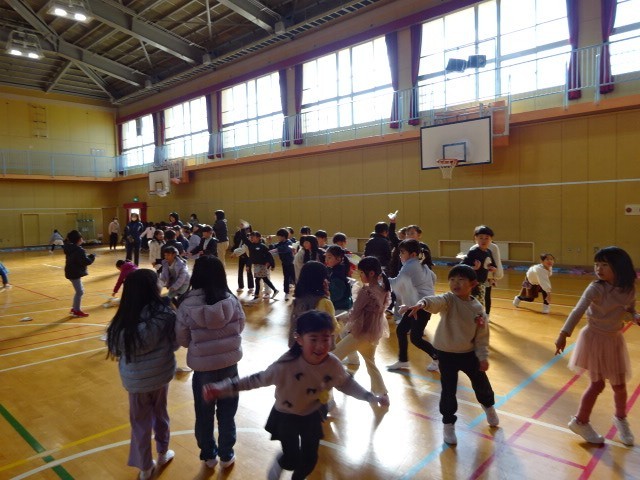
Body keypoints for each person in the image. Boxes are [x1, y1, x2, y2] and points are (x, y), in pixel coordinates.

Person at [201, 310, 389, 480]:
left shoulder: (332, 364)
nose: (321, 345)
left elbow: (346, 383)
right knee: (291, 459)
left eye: (326, 338)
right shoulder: (286, 366)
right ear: (299, 339)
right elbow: (255, 380)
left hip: (312, 415)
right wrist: (221, 388)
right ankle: (280, 463)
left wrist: (370, 397)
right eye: (313, 339)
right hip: (286, 416)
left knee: (309, 460)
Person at [554, 247, 639, 446]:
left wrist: (635, 316)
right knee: (597, 384)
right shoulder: (595, 288)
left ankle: (620, 419)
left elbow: (628, 310)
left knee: (619, 386)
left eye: (604, 265)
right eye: (597, 264)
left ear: (619, 267)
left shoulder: (629, 289)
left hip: (614, 340)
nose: (598, 269)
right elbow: (578, 310)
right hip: (594, 339)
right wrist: (563, 334)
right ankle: (580, 421)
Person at [407, 264, 499, 445]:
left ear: (473, 284)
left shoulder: (477, 309)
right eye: (452, 279)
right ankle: (448, 424)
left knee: (482, 384)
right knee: (448, 391)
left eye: (461, 280)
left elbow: (482, 337)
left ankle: (488, 407)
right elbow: (436, 301)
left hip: (469, 354)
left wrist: (483, 357)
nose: (455, 283)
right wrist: (423, 303)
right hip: (446, 355)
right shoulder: (449, 300)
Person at [106, 269, 177, 480]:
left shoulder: (122, 319)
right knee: (161, 414)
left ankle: (145, 467)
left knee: (139, 423)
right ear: (153, 288)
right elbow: (175, 343)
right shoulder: (165, 314)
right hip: (160, 375)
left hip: (135, 381)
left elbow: (115, 349)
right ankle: (163, 453)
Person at [176, 255, 245, 470]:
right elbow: (240, 326)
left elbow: (182, 339)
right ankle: (227, 454)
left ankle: (209, 455)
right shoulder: (231, 300)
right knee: (227, 414)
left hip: (203, 370)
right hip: (230, 367)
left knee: (204, 415)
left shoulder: (187, 304)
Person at [332, 256, 391, 404]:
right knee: (370, 362)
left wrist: (339, 318)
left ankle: (324, 392)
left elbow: (355, 312)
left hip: (361, 334)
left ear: (371, 273)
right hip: (373, 334)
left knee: (332, 358)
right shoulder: (383, 290)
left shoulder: (366, 291)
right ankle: (383, 394)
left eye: (361, 273)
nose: (360, 276)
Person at [387, 239, 439, 372]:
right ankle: (403, 360)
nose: (400, 255)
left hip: (421, 307)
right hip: (419, 306)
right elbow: (434, 278)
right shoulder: (421, 264)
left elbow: (396, 283)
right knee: (401, 330)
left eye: (402, 252)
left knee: (416, 338)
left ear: (413, 254)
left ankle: (438, 357)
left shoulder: (411, 265)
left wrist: (381, 278)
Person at [288, 261, 337, 347]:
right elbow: (333, 328)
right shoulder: (323, 302)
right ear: (321, 280)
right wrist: (343, 322)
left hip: (297, 346)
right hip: (317, 350)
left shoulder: (298, 299)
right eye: (325, 277)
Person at [458, 225, 496, 309]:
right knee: (472, 305)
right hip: (471, 283)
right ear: (476, 239)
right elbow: (461, 266)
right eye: (481, 238)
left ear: (491, 240)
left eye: (486, 238)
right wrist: (473, 268)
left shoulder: (489, 252)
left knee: (480, 305)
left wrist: (492, 269)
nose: (483, 240)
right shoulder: (473, 252)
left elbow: (492, 265)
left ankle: (477, 317)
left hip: (482, 283)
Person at [63, 230, 95, 318]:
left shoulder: (69, 247)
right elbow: (86, 261)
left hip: (71, 271)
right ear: (78, 239)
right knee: (80, 292)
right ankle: (76, 310)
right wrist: (92, 257)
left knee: (79, 291)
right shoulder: (79, 250)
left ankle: (74, 308)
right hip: (74, 273)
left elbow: (79, 259)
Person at [247, 231, 278, 300]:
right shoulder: (252, 246)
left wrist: (272, 264)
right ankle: (275, 290)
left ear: (258, 238)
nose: (251, 238)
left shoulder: (262, 246)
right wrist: (248, 265)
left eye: (253, 237)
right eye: (251, 237)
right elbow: (251, 257)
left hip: (261, 266)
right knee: (264, 279)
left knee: (258, 280)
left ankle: (256, 296)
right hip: (256, 266)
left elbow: (269, 255)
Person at [269, 229, 295, 301]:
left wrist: (275, 250)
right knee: (286, 278)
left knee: (294, 278)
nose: (278, 238)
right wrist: (270, 242)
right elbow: (273, 247)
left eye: (279, 236)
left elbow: (285, 249)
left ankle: (299, 292)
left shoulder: (289, 242)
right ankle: (286, 293)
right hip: (285, 264)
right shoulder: (280, 243)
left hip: (291, 264)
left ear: (283, 237)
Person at [232, 222, 254, 294]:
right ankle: (240, 286)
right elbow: (237, 243)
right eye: (245, 229)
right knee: (240, 270)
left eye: (247, 229)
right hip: (241, 256)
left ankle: (251, 287)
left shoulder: (251, 237)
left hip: (248, 256)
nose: (246, 230)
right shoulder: (240, 235)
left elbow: (244, 247)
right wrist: (235, 252)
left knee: (249, 270)